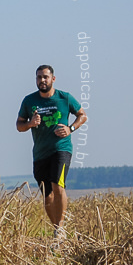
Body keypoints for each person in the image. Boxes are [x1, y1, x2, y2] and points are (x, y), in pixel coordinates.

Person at [16, 64, 87, 233]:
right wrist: (30, 124)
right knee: (47, 194)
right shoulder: (29, 101)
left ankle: (61, 227)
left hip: (61, 149)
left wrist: (71, 128)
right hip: (40, 153)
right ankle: (56, 229)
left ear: (53, 79)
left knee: (58, 185)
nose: (42, 80)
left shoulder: (65, 98)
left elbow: (82, 115)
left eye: (45, 77)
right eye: (39, 77)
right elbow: (19, 125)